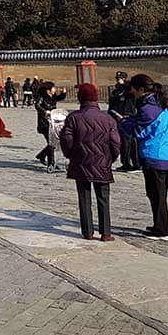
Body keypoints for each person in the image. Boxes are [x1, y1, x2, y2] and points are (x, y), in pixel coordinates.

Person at [60, 83, 121, 241]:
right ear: (96, 98)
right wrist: (111, 158)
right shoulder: (108, 119)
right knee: (103, 197)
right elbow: (116, 142)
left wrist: (71, 155)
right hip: (102, 162)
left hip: (80, 162)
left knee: (84, 197)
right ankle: (106, 232)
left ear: (80, 98)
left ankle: (87, 232)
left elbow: (66, 139)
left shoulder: (73, 118)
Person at [121, 74, 168, 241]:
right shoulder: (160, 103)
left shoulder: (148, 109)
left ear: (141, 90)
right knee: (159, 195)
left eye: (134, 89)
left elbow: (139, 131)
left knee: (156, 195)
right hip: (167, 154)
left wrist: (123, 123)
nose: (133, 92)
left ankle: (163, 230)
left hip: (155, 156)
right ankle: (161, 224)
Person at [108, 71, 139, 172]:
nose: (118, 80)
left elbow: (130, 90)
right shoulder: (116, 91)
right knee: (123, 143)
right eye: (117, 78)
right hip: (119, 118)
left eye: (120, 78)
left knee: (132, 142)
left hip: (129, 116)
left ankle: (136, 163)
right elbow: (112, 104)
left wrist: (125, 84)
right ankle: (126, 163)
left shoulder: (129, 90)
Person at [34, 82, 67, 170]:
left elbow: (60, 98)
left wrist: (63, 93)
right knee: (52, 143)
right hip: (44, 123)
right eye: (53, 88)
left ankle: (41, 155)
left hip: (53, 123)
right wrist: (45, 111)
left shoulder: (53, 97)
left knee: (54, 142)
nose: (54, 89)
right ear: (48, 90)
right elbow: (37, 105)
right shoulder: (42, 97)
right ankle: (51, 163)